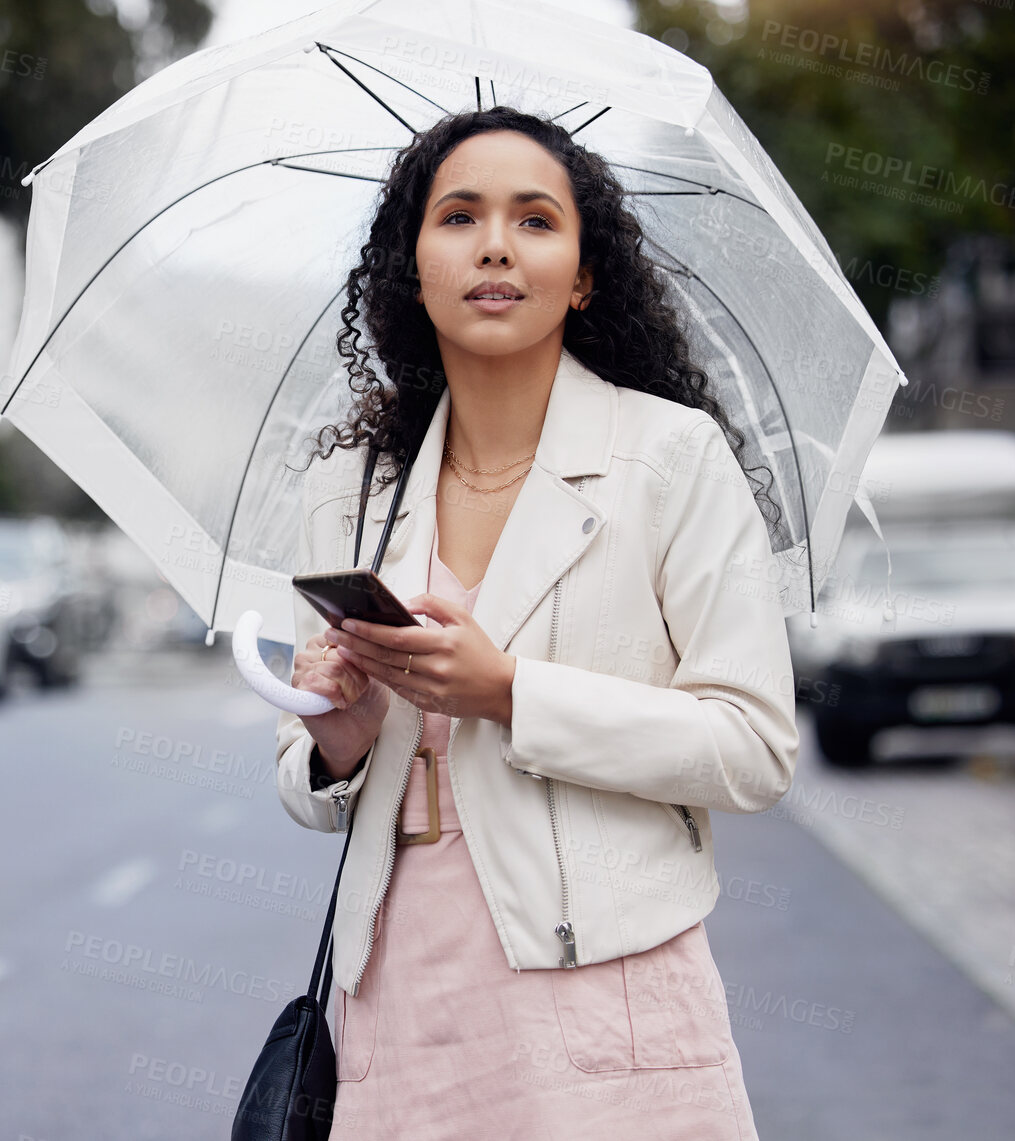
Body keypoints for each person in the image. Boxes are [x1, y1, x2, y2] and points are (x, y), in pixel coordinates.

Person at [276, 106, 799, 1138]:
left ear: (584, 271)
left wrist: (509, 692)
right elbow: (313, 786)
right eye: (458, 216)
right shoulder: (352, 489)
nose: (495, 247)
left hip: (603, 982)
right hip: (399, 988)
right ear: (408, 265)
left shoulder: (671, 461)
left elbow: (752, 748)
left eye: (535, 220)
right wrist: (336, 741)